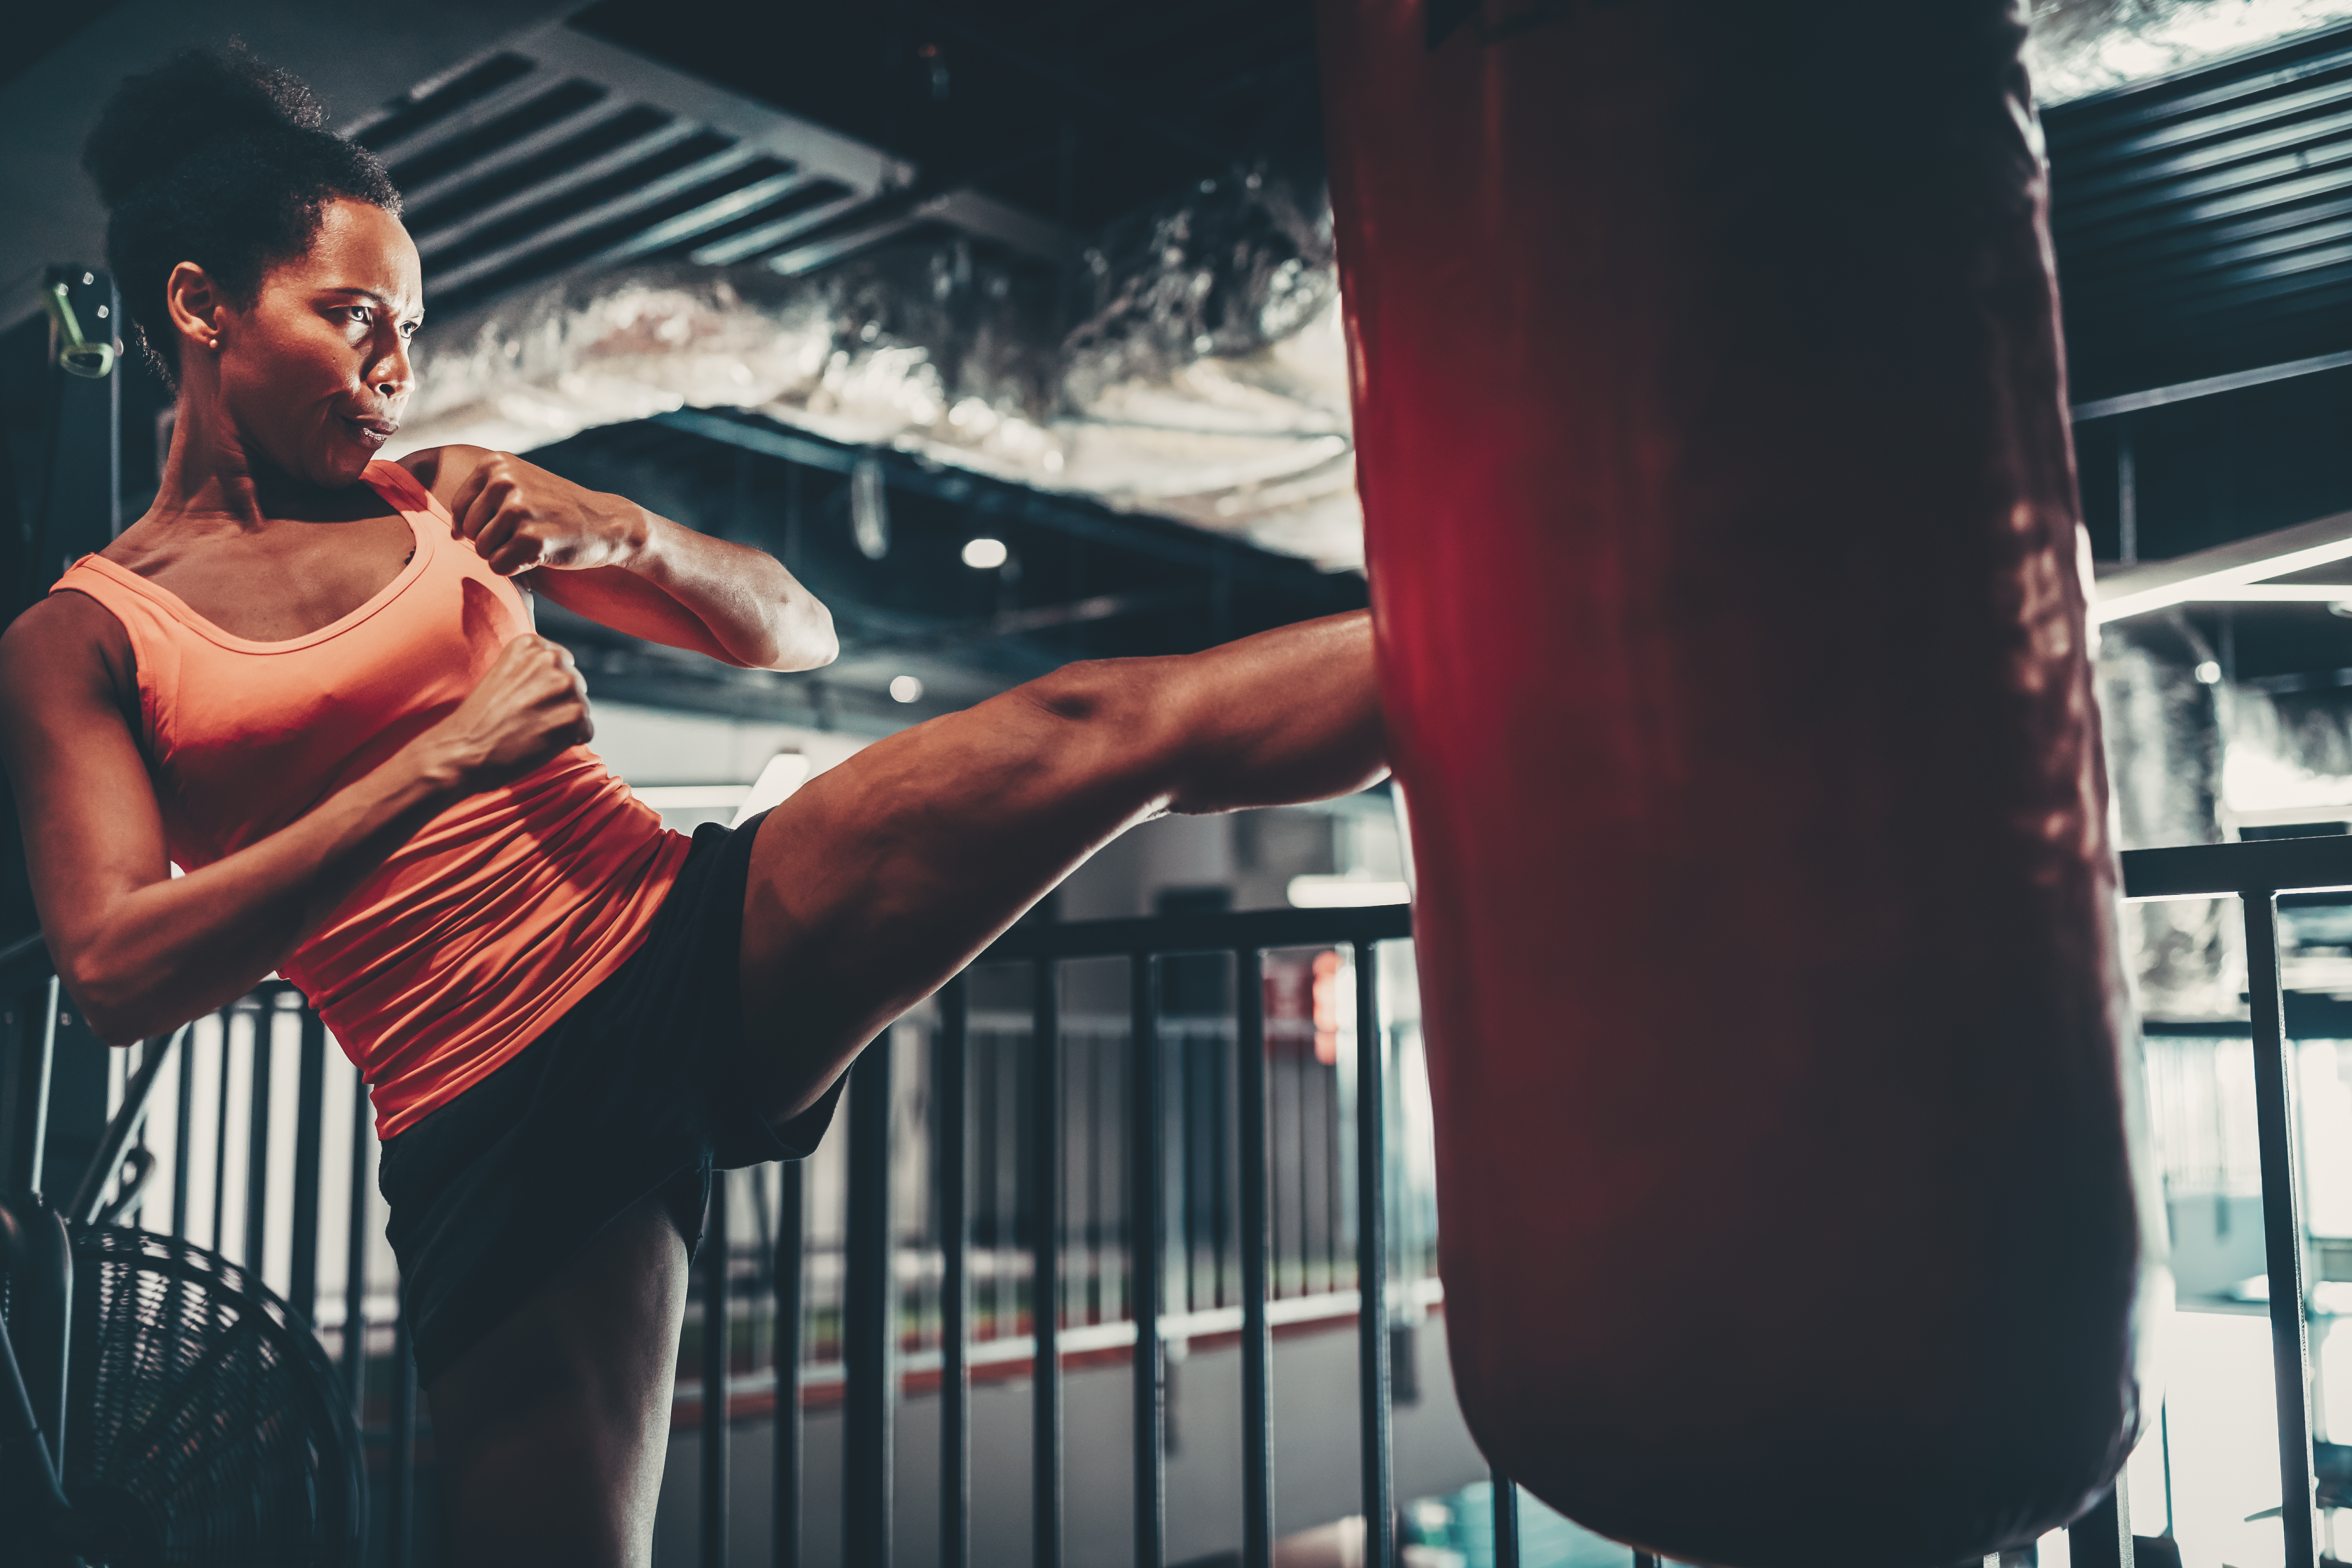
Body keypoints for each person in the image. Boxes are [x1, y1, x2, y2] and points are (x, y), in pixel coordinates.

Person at [0, 46, 1385, 1567]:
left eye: (413, 327)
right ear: (205, 307)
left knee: (1101, 720)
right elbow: (122, 969)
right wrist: (441, 765)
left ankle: (1544, 645)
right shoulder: (88, 636)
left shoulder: (442, 497)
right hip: (491, 1112)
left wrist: (636, 534)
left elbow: (799, 634)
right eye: (355, 320)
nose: (396, 369)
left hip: (686, 929)